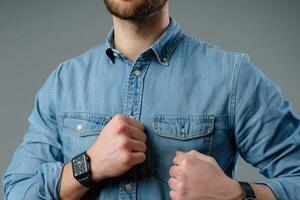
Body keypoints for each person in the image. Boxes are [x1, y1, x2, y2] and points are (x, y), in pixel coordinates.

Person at [3, 0, 300, 199]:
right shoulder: (63, 82)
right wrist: (88, 166)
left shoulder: (233, 77)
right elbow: (17, 191)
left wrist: (236, 193)